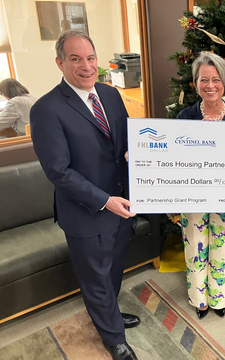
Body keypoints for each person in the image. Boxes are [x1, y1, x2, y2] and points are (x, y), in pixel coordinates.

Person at [30, 30, 139, 360]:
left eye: (90, 58)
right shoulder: (46, 110)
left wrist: (139, 154)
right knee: (95, 279)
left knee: (114, 269)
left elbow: (125, 140)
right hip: (86, 212)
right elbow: (58, 172)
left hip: (123, 205)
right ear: (60, 63)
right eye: (76, 59)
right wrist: (105, 200)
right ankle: (113, 339)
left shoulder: (110, 94)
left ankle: (110, 317)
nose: (86, 66)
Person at [177, 51, 225, 320]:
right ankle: (199, 300)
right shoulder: (185, 117)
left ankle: (219, 300)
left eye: (216, 79)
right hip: (193, 197)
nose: (210, 85)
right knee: (195, 246)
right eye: (203, 79)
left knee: (223, 248)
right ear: (195, 83)